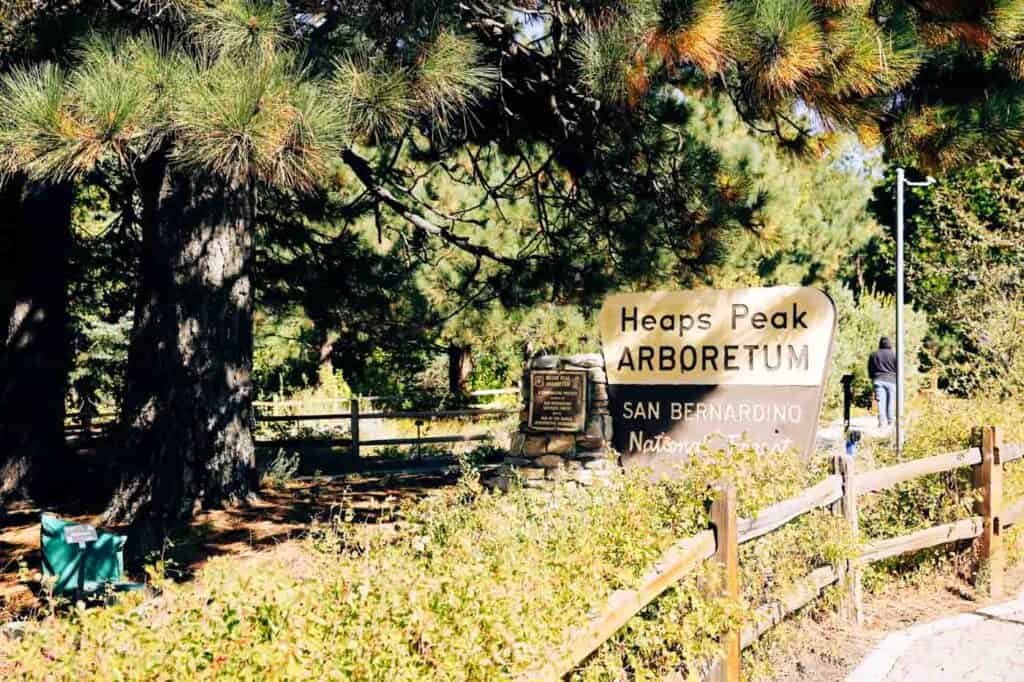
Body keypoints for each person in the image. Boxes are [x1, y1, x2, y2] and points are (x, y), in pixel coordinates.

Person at [868, 337, 897, 428]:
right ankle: (891, 421)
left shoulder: (874, 355)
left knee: (881, 401)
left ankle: (881, 422)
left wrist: (872, 377)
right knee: (891, 401)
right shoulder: (894, 355)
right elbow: (899, 368)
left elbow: (870, 367)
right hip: (891, 380)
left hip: (878, 380)